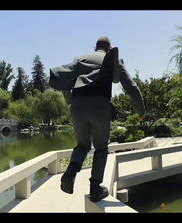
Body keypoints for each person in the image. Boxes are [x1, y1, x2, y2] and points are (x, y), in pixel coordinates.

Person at [49, 36, 145, 202]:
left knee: (82, 146)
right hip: (100, 106)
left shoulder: (80, 59)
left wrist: (71, 102)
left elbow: (65, 81)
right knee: (101, 148)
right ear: (110, 49)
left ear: (95, 48)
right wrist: (140, 110)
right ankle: (95, 188)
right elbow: (131, 86)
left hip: (77, 107)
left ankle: (70, 172)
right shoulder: (114, 60)